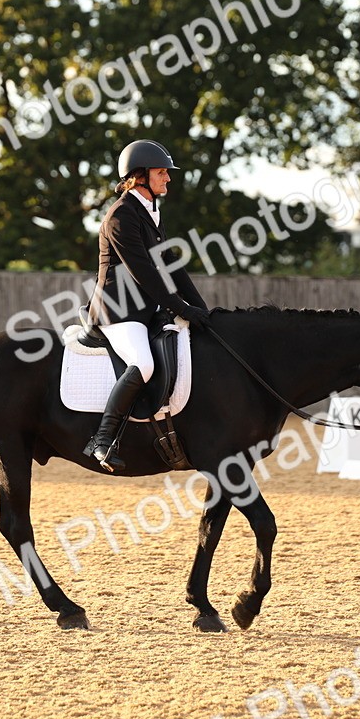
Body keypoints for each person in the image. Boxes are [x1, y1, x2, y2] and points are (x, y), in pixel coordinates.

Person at [84, 139, 211, 472]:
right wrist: (182, 308)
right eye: (161, 173)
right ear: (139, 176)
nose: (167, 179)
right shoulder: (121, 217)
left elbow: (170, 264)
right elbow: (146, 276)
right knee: (143, 363)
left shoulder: (150, 211)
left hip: (145, 308)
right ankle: (102, 439)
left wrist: (203, 310)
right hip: (117, 311)